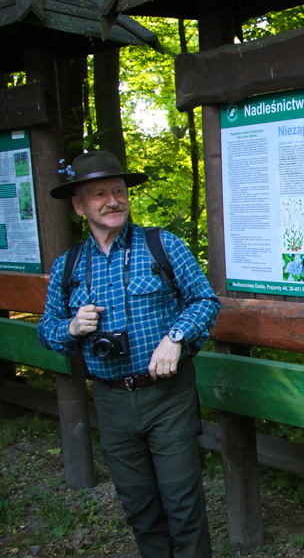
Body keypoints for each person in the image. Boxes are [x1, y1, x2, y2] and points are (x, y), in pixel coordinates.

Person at [38, 150, 221, 558]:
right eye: (99, 194)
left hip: (167, 397)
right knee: (139, 509)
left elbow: (205, 301)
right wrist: (71, 327)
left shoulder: (162, 245)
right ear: (79, 205)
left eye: (118, 191)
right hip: (111, 401)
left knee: (183, 507)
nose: (112, 200)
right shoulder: (68, 267)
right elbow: (47, 331)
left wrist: (175, 336)